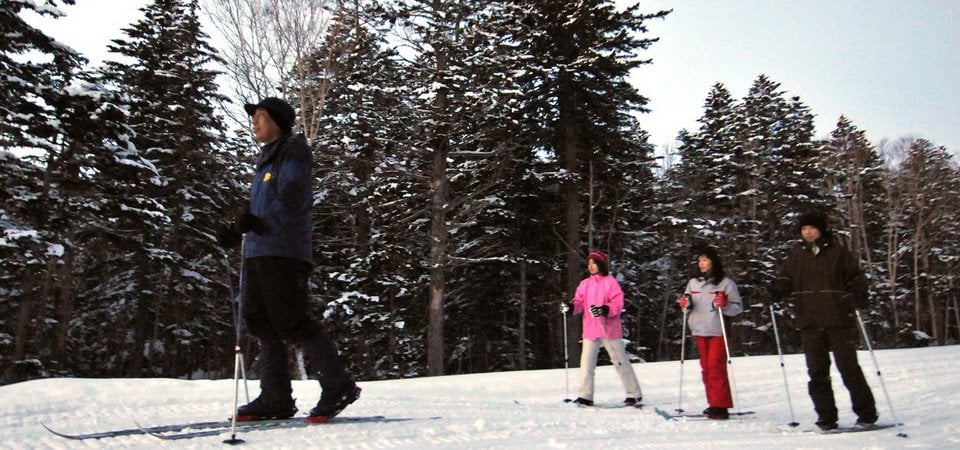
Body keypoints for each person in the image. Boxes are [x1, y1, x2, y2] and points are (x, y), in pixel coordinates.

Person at [217, 97, 360, 422]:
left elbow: (294, 196)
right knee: (261, 321)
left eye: (261, 116)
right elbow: (259, 209)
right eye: (254, 117)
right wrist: (238, 228)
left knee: (291, 320)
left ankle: (339, 385)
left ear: (278, 121)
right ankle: (275, 397)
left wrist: (261, 222)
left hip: (284, 250)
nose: (255, 122)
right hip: (259, 251)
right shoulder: (266, 158)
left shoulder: (293, 151)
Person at [767, 211, 877, 431]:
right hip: (809, 320)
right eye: (804, 229)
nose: (807, 232)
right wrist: (776, 290)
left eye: (811, 228)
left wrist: (856, 295)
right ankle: (826, 417)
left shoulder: (838, 253)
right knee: (817, 372)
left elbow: (856, 278)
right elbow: (785, 279)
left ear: (821, 229)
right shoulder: (797, 255)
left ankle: (866, 414)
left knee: (848, 368)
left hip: (837, 318)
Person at [567, 250, 642, 407]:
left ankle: (633, 393)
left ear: (601, 264)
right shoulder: (585, 284)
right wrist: (571, 307)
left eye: (594, 263)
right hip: (590, 329)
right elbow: (579, 302)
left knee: (620, 361)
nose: (591, 267)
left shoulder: (610, 282)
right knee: (586, 363)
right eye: (589, 264)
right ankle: (585, 395)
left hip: (609, 329)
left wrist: (605, 309)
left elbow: (617, 303)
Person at [678, 246, 743, 420]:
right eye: (699, 260)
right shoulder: (693, 283)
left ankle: (720, 405)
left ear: (713, 262)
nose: (701, 263)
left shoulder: (726, 283)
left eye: (705, 260)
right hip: (699, 329)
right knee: (706, 368)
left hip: (717, 330)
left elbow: (737, 308)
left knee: (716, 367)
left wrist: (725, 305)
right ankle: (713, 402)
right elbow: (687, 304)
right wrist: (685, 304)